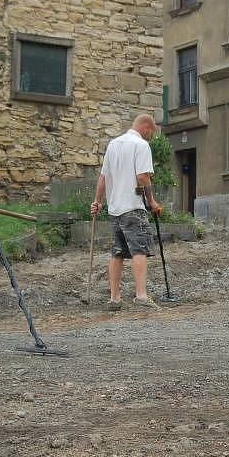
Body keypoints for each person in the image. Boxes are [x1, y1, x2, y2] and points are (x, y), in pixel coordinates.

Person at [90, 114, 163, 311]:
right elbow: (143, 177)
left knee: (118, 252)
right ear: (146, 128)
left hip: (115, 209)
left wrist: (97, 201)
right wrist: (152, 201)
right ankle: (141, 296)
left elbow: (103, 177)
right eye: (152, 133)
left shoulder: (113, 145)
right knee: (140, 250)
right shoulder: (141, 145)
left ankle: (115, 299)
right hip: (133, 206)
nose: (151, 137)